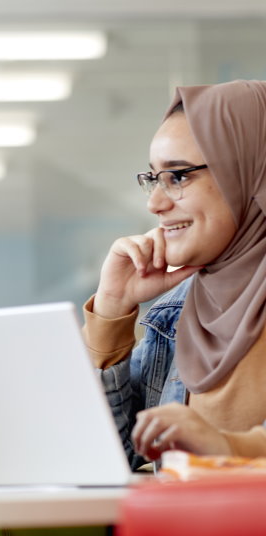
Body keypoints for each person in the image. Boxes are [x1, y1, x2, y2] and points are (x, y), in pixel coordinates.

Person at [82, 79, 266, 468]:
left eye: (178, 176)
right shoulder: (178, 311)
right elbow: (102, 457)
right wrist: (112, 307)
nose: (154, 203)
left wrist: (225, 446)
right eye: (154, 178)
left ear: (252, 174)